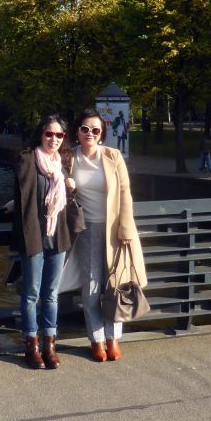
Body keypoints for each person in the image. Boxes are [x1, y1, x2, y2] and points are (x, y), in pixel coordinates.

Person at [69, 108, 147, 362]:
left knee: (115, 285)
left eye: (95, 129)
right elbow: (49, 186)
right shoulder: (69, 158)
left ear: (101, 133)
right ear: (77, 132)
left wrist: (126, 227)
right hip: (86, 229)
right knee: (91, 288)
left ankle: (114, 338)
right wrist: (16, 203)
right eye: (85, 129)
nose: (89, 133)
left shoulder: (113, 156)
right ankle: (97, 340)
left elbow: (126, 192)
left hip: (115, 229)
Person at [10, 114, 74, 370]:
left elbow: (61, 200)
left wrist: (71, 186)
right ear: (40, 134)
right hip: (34, 234)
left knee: (51, 295)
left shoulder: (63, 163)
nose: (54, 139)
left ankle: (50, 345)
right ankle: (32, 345)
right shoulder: (27, 159)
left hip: (57, 235)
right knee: (31, 294)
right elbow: (24, 195)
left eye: (60, 135)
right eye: (50, 134)